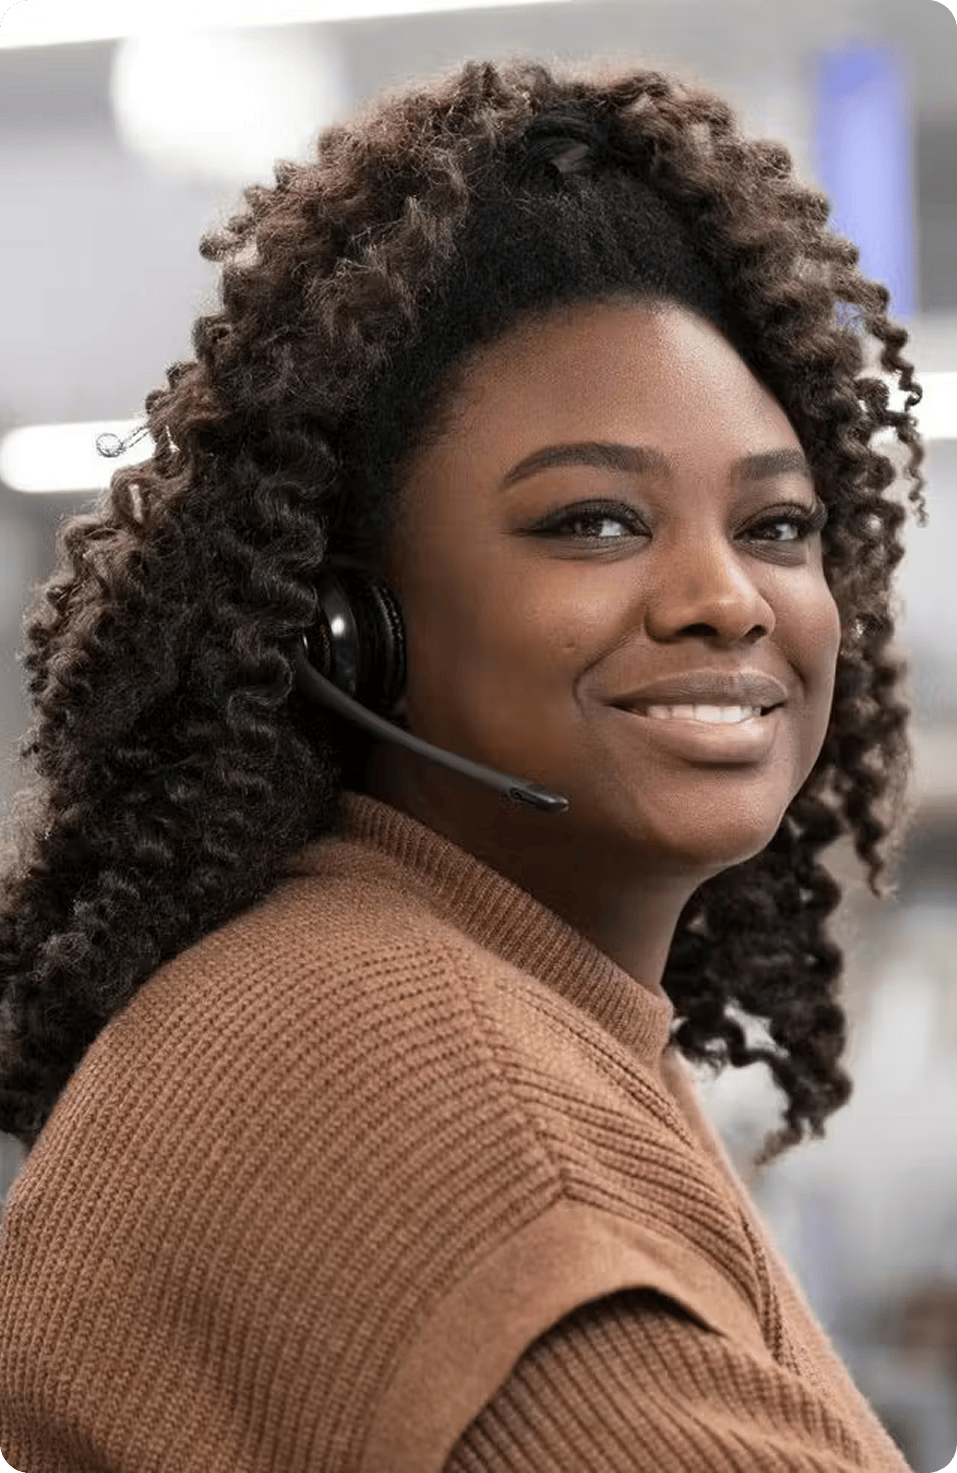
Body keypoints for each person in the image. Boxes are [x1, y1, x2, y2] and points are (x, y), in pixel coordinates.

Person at [0, 54, 929, 1473]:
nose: (727, 597)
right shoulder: (422, 1094)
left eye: (778, 526)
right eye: (594, 523)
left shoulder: (450, 997)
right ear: (342, 620)